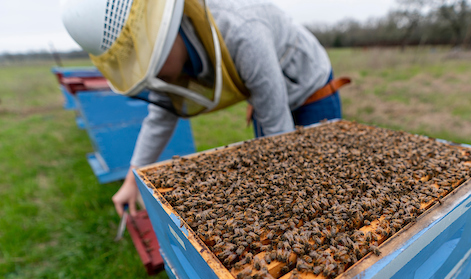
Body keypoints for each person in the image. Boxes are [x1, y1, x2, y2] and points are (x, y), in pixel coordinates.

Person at [61, 0, 349, 216]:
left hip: (309, 85)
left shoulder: (243, 31)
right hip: (265, 89)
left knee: (316, 175)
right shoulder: (172, 59)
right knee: (275, 175)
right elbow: (161, 117)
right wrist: (132, 179)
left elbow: (278, 132)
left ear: (164, 32)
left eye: (151, 65)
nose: (154, 78)